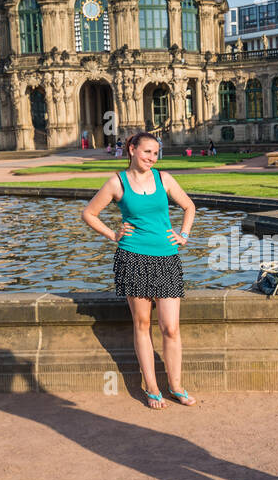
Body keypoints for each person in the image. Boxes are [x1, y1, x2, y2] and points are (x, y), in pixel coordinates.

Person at [80, 132, 198, 409]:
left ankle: (176, 386)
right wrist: (113, 234)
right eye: (147, 152)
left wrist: (184, 234)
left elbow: (189, 206)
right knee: (142, 325)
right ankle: (152, 387)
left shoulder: (163, 179)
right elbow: (89, 213)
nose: (152, 158)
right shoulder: (117, 182)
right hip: (132, 257)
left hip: (166, 257)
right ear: (132, 149)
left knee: (171, 327)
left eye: (155, 153)